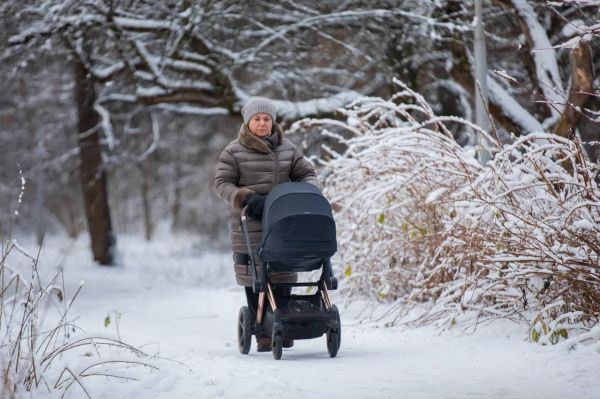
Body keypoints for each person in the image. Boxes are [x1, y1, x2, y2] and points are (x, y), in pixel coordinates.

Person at [213, 97, 319, 352]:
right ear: (248, 121)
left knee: (283, 271)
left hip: (284, 221)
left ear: (273, 122)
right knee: (256, 276)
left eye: (266, 119)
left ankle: (282, 322)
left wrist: (306, 193)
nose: (262, 123)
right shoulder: (233, 151)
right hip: (250, 222)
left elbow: (307, 174)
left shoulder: (288, 149)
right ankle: (261, 329)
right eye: (257, 119)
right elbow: (222, 184)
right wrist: (245, 197)